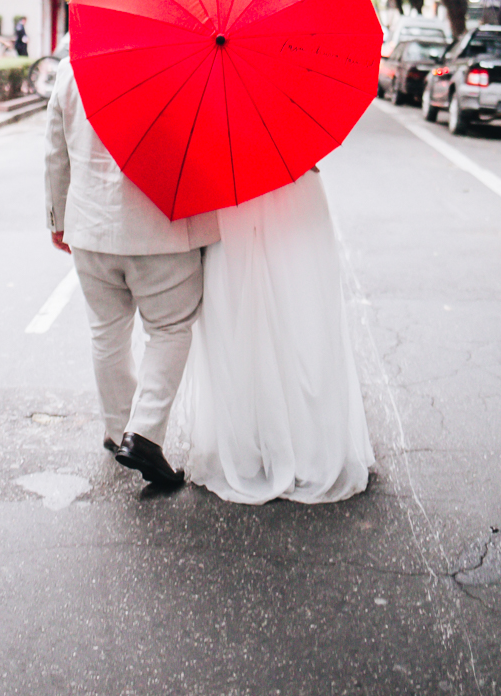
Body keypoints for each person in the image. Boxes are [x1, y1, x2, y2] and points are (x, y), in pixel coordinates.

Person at [45, 55, 220, 489]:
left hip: (91, 229)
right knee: (170, 329)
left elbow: (56, 152)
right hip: (161, 230)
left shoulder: (72, 69)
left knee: (106, 331)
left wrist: (57, 219)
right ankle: (142, 434)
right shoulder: (186, 63)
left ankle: (116, 426)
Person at [182, 168, 375, 504]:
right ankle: (306, 447)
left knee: (243, 322)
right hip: (291, 194)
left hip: (234, 198)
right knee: (297, 321)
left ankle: (251, 447)